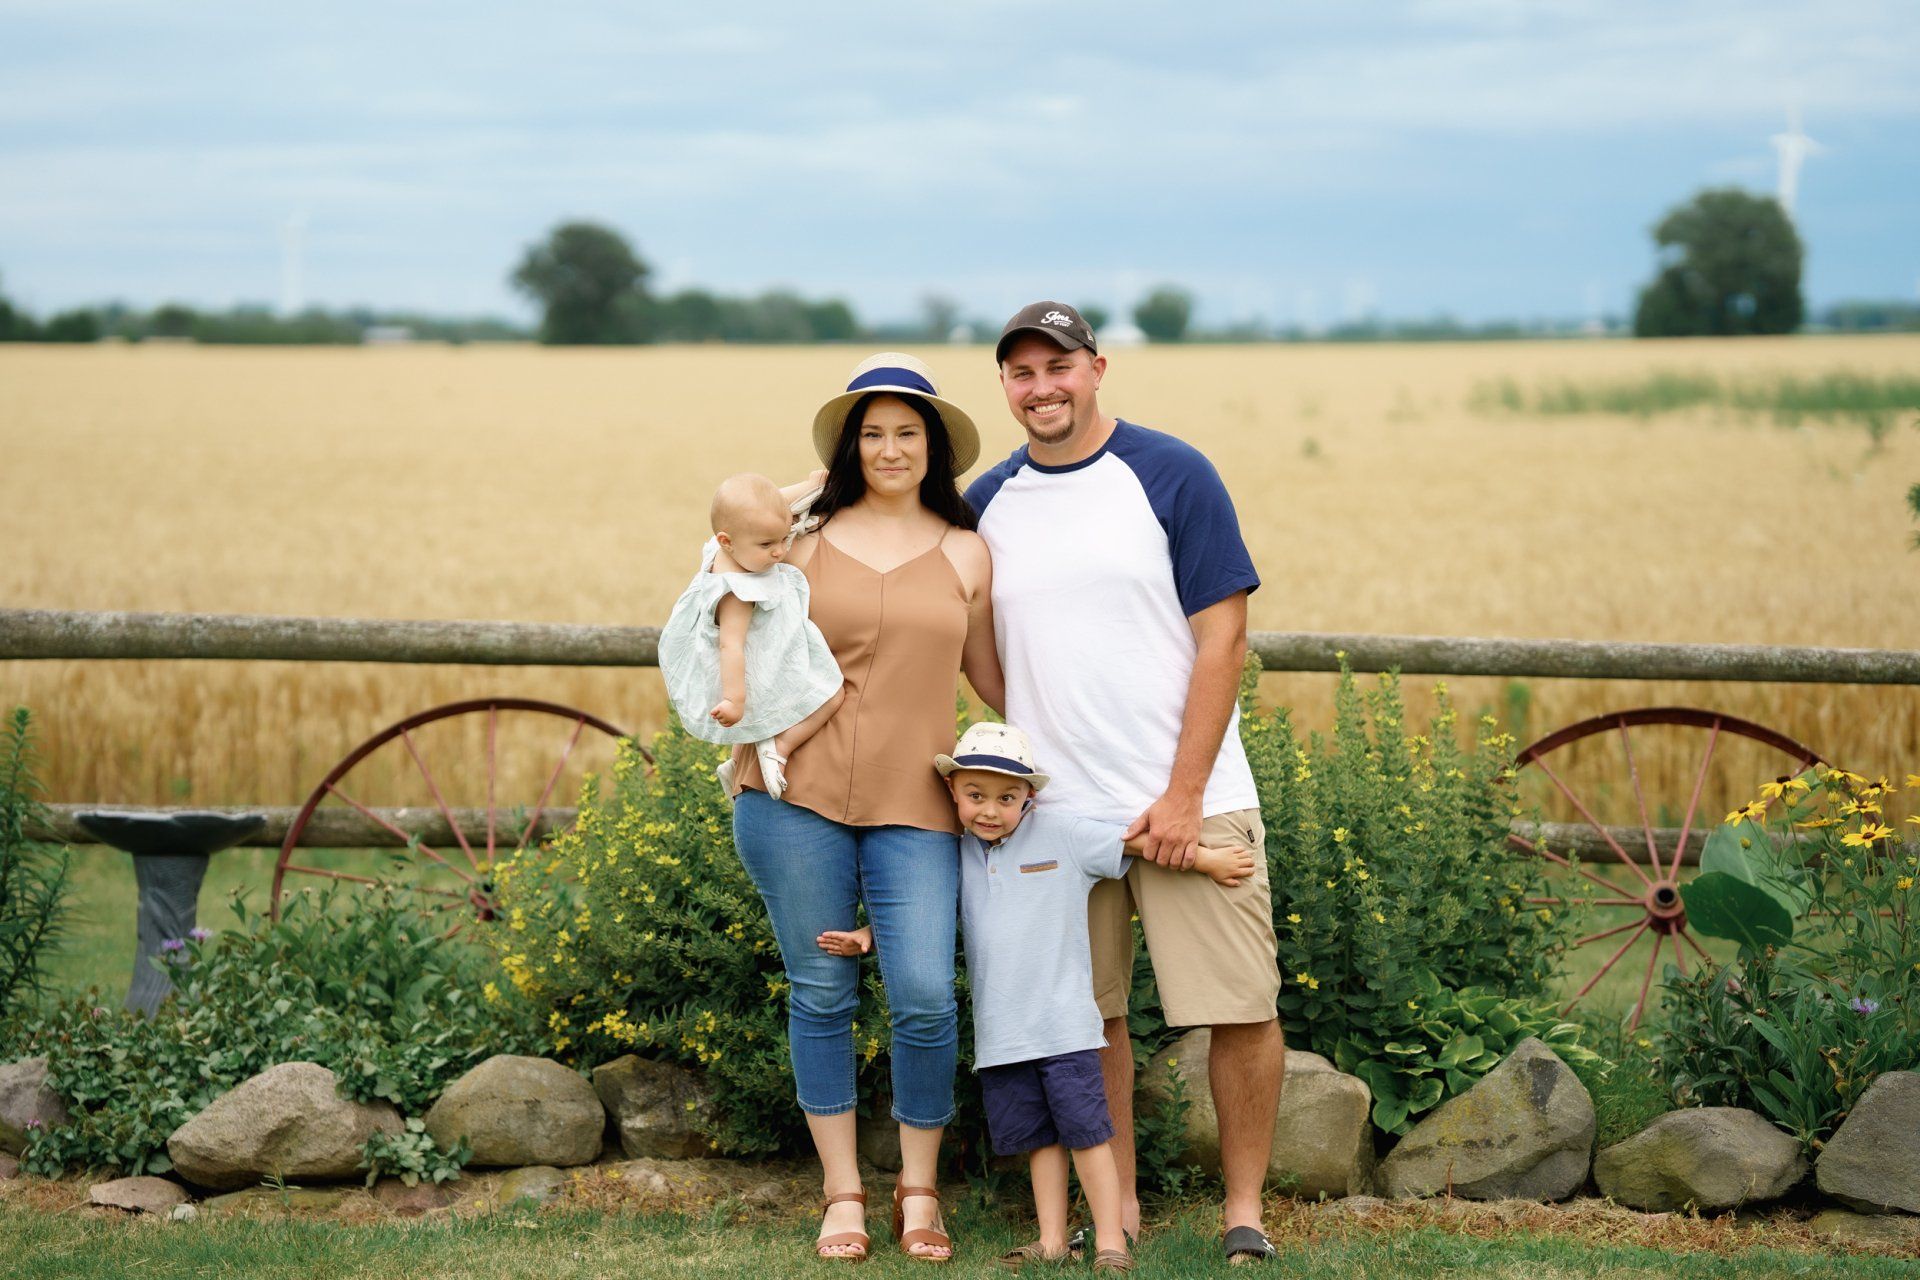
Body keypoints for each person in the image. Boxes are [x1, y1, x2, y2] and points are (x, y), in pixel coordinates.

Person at [965, 302, 1286, 1265]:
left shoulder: (1171, 473)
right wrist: (1034, 753)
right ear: (1007, 388)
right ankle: (1121, 1212)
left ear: (1097, 368)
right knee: (1085, 1016)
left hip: (1195, 794)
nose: (1041, 388)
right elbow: (986, 661)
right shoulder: (987, 502)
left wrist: (1183, 795)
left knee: (1242, 1008)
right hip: (1057, 816)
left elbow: (1223, 636)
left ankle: (1243, 1212)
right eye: (1020, 373)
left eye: (1057, 366)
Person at [727, 351, 1003, 1264]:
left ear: (936, 449)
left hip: (917, 805)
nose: (890, 448)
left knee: (924, 995)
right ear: (851, 446)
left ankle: (917, 1193)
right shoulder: (798, 541)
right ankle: (842, 1194)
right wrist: (802, 488)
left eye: (907, 433)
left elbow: (996, 681)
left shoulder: (968, 552)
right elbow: (718, 592)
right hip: (791, 797)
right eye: (872, 433)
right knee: (821, 990)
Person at [820, 722, 1255, 1274]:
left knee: (1087, 1135)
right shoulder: (955, 856)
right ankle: (1050, 1240)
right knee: (1039, 1141)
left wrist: (1208, 861)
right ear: (953, 792)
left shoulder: (1060, 834)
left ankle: (1109, 1242)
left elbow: (1133, 844)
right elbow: (920, 914)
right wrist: (867, 936)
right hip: (1004, 1035)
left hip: (1066, 1025)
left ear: (1030, 797)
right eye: (975, 796)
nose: (989, 810)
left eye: (1007, 798)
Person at [658, 470, 845, 798]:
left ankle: (735, 763)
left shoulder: (720, 550)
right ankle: (779, 748)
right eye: (767, 544)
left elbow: (761, 506)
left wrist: (812, 483)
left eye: (784, 538)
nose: (779, 552)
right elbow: (731, 646)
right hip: (745, 672)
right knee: (832, 695)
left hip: (741, 666)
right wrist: (734, 700)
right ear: (727, 541)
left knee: (759, 714)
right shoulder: (738, 592)